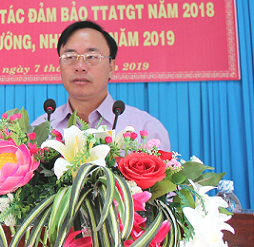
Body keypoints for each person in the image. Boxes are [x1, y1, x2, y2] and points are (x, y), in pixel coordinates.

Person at [32, 21, 170, 151]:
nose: (80, 67)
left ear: (111, 67)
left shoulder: (146, 130)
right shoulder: (39, 130)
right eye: (70, 57)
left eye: (91, 57)